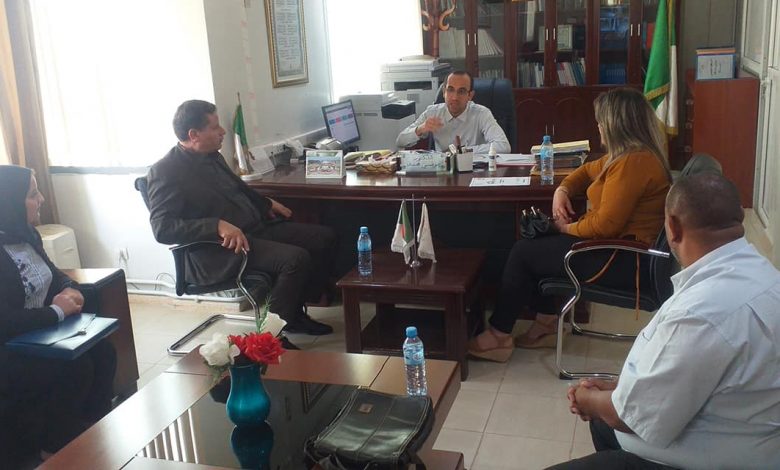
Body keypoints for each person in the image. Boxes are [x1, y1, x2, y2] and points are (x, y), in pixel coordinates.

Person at [549, 173, 780, 470]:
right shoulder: (765, 275)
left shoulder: (700, 313)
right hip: (744, 433)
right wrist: (621, 387)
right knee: (603, 424)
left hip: (717, 457)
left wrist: (586, 399)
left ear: (672, 226)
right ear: (739, 217)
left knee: (604, 421)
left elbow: (629, 417)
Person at [468, 87, 672, 362]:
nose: (598, 127)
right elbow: (586, 170)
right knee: (535, 244)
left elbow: (603, 226)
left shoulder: (634, 163)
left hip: (622, 261)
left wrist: (562, 228)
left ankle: (499, 336)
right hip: (619, 253)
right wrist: (562, 190)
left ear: (616, 125)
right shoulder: (625, 156)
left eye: (601, 121)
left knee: (523, 252)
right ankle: (546, 324)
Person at [146, 100, 337, 336]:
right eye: (215, 127)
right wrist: (216, 226)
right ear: (194, 135)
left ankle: (292, 314)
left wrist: (267, 204)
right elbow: (163, 229)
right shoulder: (166, 171)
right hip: (217, 250)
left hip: (254, 230)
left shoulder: (213, 156)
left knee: (323, 237)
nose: (222, 131)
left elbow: (239, 190)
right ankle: (270, 337)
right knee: (295, 259)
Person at [0, 165, 116, 463]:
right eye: (32, 194)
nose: (41, 199)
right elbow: (5, 321)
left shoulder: (26, 235)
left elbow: (55, 274)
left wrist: (71, 289)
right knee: (74, 368)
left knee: (104, 352)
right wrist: (55, 312)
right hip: (9, 349)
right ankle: (54, 449)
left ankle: (93, 432)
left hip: (40, 335)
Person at [396, 71, 510, 154]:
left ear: (470, 95)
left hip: (474, 170)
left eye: (461, 91)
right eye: (450, 90)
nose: (455, 97)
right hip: (443, 171)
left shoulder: (481, 113)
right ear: (444, 92)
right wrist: (421, 129)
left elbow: (503, 146)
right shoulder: (432, 112)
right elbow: (400, 141)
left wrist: (462, 151)